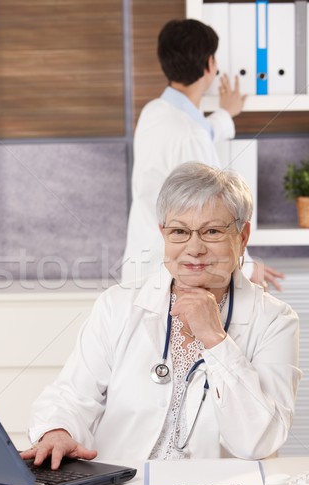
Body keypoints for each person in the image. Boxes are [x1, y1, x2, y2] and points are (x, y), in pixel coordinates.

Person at [21, 162, 301, 469]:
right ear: (162, 234)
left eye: (212, 231)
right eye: (179, 231)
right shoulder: (117, 306)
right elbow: (72, 394)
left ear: (242, 236)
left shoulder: (275, 321)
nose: (194, 248)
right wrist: (57, 429)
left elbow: (258, 440)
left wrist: (215, 339)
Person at [121, 18, 284, 290]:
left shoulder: (154, 112)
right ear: (210, 65)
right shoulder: (190, 135)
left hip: (144, 265)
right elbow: (216, 212)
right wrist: (249, 266)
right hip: (173, 276)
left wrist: (224, 114)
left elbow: (196, 132)